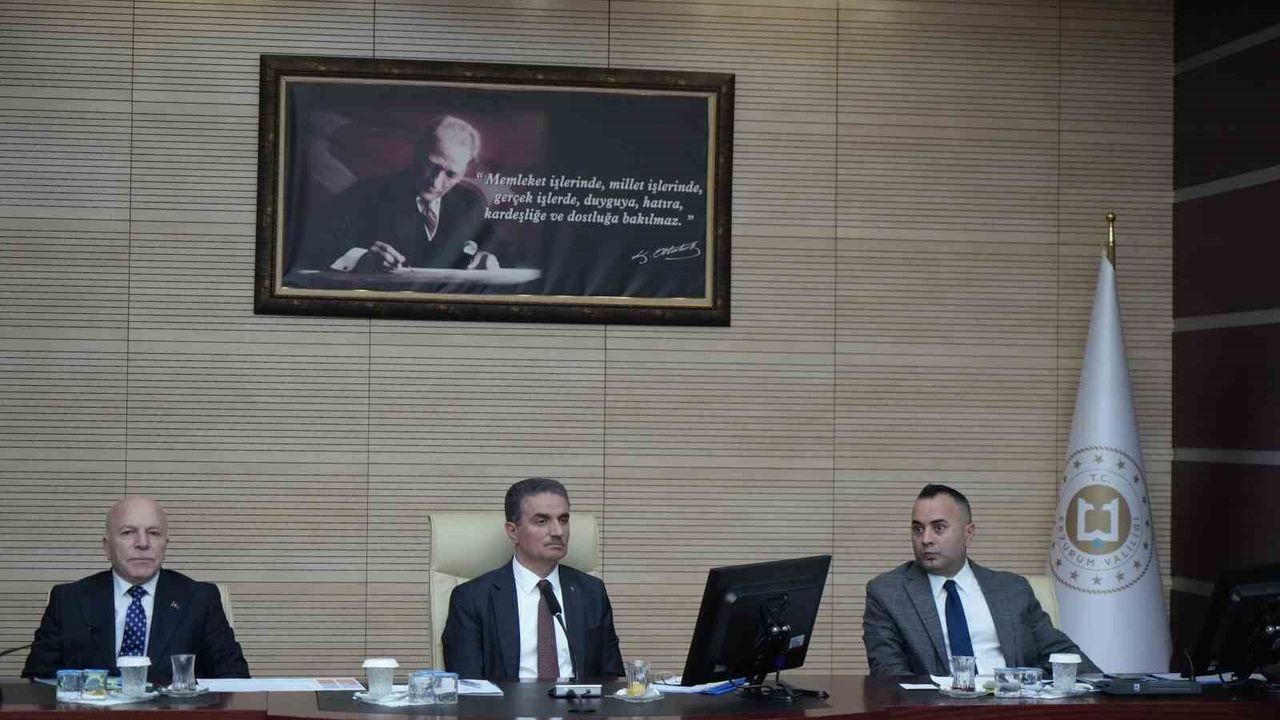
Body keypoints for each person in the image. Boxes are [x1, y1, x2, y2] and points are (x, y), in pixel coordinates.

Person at [862, 484, 1098, 676]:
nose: (926, 539)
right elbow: (888, 674)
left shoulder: (1012, 590)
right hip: (934, 710)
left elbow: (1059, 653)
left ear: (969, 533)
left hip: (1011, 706)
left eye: (939, 528)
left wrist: (1106, 690)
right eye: (918, 529)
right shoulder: (888, 593)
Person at [21, 496, 250, 684]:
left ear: (165, 545)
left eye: (153, 533)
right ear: (107, 547)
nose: (142, 543)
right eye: (128, 532)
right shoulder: (69, 600)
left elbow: (234, 678)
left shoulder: (200, 599)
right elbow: (37, 681)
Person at [442, 478, 623, 681]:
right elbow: (468, 685)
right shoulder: (472, 598)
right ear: (513, 531)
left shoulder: (591, 592)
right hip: (504, 702)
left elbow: (610, 678)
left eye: (563, 519)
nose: (558, 532)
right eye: (542, 521)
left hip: (579, 702)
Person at [296, 115, 500, 274]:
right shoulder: (366, 194)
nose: (436, 182)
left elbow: (498, 247)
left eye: (451, 174)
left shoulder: (471, 204)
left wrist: (487, 257)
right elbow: (315, 244)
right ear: (418, 153)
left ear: (467, 168)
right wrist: (362, 258)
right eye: (431, 165)